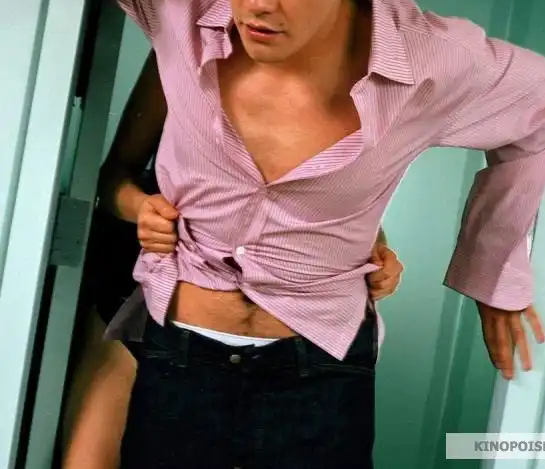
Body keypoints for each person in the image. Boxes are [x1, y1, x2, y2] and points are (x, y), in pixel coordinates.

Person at [34, 0, 545, 469]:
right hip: (180, 358)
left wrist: (495, 271)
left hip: (320, 379)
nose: (256, 0)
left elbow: (542, 104)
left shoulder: (428, 60)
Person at [60, 50, 403, 469]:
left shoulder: (358, 75)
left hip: (299, 344)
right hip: (150, 293)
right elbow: (114, 178)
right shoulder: (185, 44)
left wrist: (377, 253)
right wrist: (141, 209)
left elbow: (345, 215)